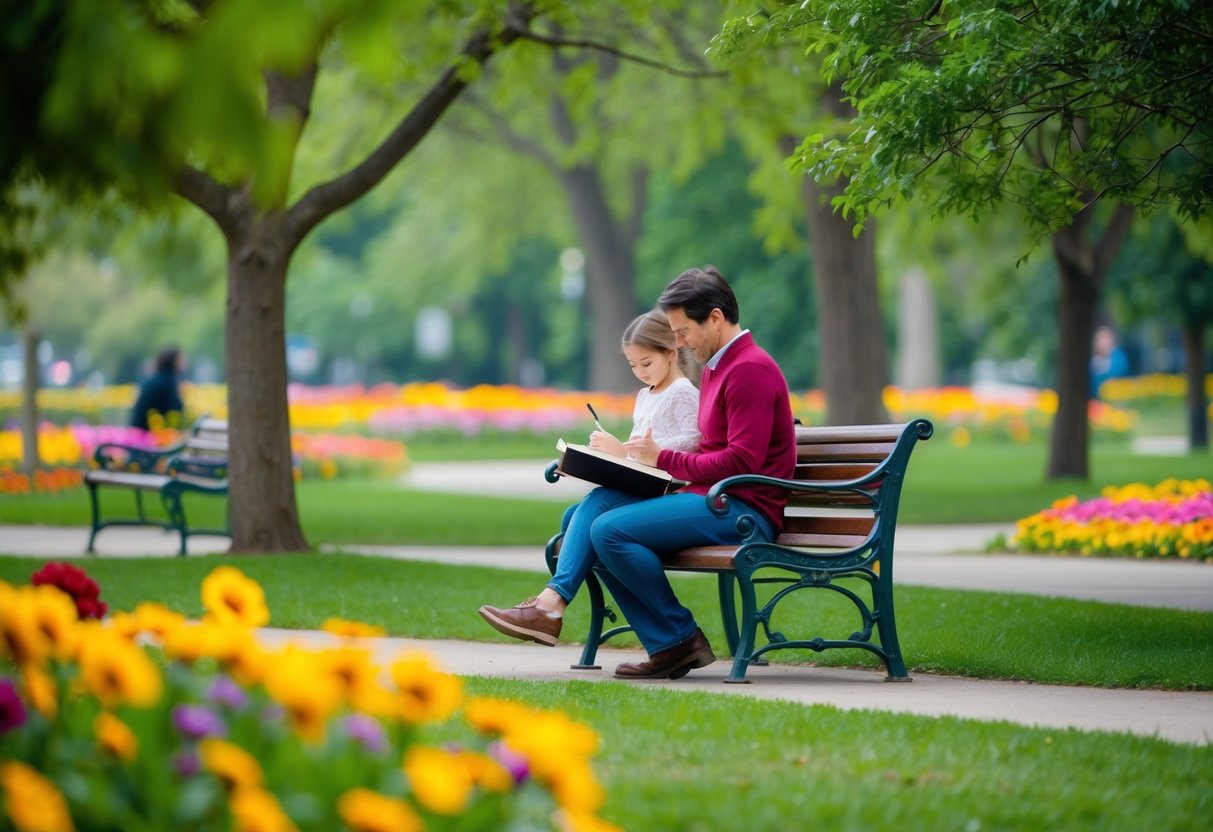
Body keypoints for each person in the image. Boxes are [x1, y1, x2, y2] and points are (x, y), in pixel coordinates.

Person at [478, 310, 702, 645]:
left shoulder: (683, 391)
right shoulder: (645, 396)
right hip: (645, 488)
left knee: (595, 505)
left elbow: (693, 441)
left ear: (671, 353)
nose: (640, 373)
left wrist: (626, 451)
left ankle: (551, 604)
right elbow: (638, 451)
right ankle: (557, 608)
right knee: (573, 517)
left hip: (670, 493)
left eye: (646, 363)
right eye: (633, 366)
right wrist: (595, 459)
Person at [130, 346, 185, 431]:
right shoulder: (168, 382)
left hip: (138, 429)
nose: (184, 363)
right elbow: (174, 410)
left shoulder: (155, 379)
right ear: (174, 361)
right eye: (181, 360)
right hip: (150, 434)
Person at [1090, 325, 1129, 399]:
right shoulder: (1093, 362)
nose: (1104, 342)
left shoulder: (1118, 358)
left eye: (1106, 339)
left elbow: (1122, 375)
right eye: (1101, 340)